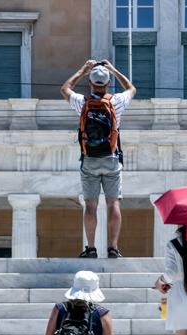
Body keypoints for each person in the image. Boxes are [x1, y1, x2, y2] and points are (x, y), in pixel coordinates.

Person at [61, 59, 136, 259]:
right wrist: (114, 69)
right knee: (113, 204)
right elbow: (131, 88)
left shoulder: (82, 102)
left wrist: (83, 70)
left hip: (89, 159)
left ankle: (91, 248)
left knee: (91, 205)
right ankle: (113, 248)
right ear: (108, 83)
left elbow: (65, 89)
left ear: (91, 83)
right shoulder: (116, 102)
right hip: (111, 158)